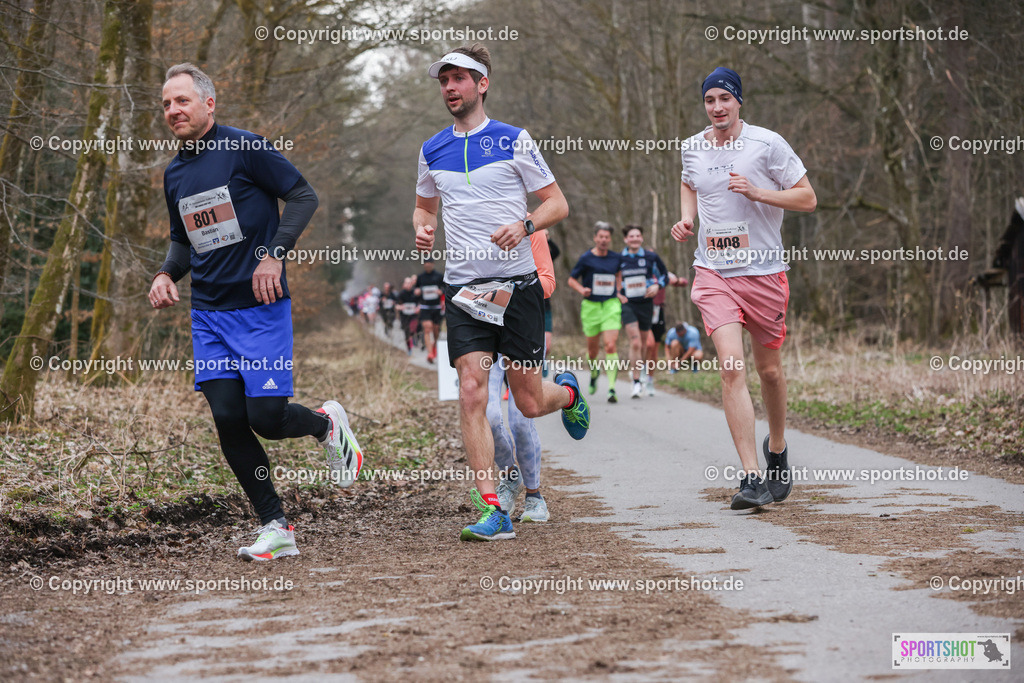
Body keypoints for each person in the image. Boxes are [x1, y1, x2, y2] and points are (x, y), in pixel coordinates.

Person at [149, 63, 363, 561]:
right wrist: (164, 274)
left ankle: (324, 425)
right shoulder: (175, 173)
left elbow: (304, 195)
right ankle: (275, 524)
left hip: (260, 310)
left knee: (264, 417)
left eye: (182, 100)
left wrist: (275, 254)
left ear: (209, 104)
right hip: (209, 315)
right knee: (227, 418)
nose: (173, 111)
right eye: (165, 104)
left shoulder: (244, 147)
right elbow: (183, 240)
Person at [414, 44, 590, 541]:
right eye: (443, 80)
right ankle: (494, 508)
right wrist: (423, 228)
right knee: (472, 391)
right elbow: (425, 208)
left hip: (518, 288)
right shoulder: (432, 149)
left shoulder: (514, 140)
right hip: (465, 289)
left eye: (459, 79)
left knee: (529, 403)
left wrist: (526, 223)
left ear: (482, 84)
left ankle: (569, 391)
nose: (450, 87)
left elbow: (558, 203)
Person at [671, 67, 816, 510]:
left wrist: (757, 193)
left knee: (769, 371)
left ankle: (776, 449)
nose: (716, 107)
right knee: (731, 368)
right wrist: (688, 217)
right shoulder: (692, 146)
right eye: (709, 100)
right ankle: (752, 477)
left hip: (764, 273)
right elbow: (688, 180)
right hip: (713, 272)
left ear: (738, 102)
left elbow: (807, 198)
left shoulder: (767, 144)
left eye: (724, 99)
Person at [490, 229, 556, 523]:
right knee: (489, 417)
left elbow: (548, 283)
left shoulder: (533, 230)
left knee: (520, 420)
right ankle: (510, 475)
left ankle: (534, 496)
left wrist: (510, 289)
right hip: (486, 331)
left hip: (523, 329)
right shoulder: (471, 227)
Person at [568, 222, 623, 403]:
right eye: (601, 237)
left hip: (610, 305)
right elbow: (571, 280)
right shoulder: (586, 258)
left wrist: (619, 291)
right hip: (591, 307)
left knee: (610, 346)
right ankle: (594, 371)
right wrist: (581, 290)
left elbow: (619, 276)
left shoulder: (616, 258)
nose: (604, 240)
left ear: (610, 239)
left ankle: (612, 388)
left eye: (607, 237)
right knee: (592, 351)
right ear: (595, 238)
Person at [617, 225, 668, 398]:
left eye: (638, 235)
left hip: (646, 302)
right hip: (627, 303)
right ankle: (636, 382)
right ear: (626, 239)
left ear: (642, 238)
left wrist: (657, 285)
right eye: (631, 236)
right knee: (636, 342)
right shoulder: (619, 259)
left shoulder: (651, 257)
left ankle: (640, 370)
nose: (635, 238)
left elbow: (664, 276)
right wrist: (617, 293)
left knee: (646, 343)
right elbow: (611, 279)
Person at [415, 259, 444, 362]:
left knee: (436, 330)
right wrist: (417, 291)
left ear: (432, 264)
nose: (427, 265)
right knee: (427, 328)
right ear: (424, 265)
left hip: (436, 307)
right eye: (425, 264)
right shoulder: (420, 277)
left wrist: (441, 291)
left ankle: (434, 345)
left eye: (429, 264)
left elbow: (445, 288)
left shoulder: (439, 276)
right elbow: (416, 289)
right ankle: (430, 353)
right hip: (425, 307)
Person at [397, 276, 420, 353]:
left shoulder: (415, 292)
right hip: (404, 316)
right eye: (406, 283)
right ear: (404, 284)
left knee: (413, 328)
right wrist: (401, 307)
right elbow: (396, 306)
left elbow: (420, 303)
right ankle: (409, 348)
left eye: (410, 283)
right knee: (406, 332)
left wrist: (418, 308)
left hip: (413, 315)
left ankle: (414, 339)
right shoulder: (401, 294)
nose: (408, 284)